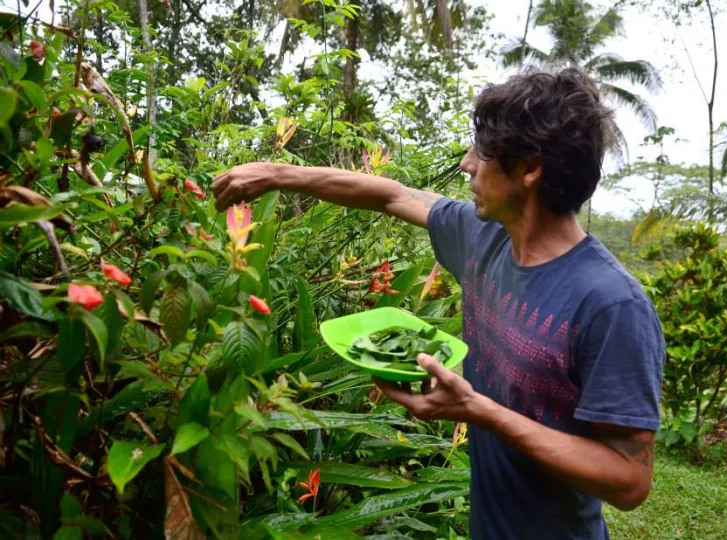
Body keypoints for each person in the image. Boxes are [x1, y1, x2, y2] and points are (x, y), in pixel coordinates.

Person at [212, 66, 665, 540]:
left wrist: (478, 412)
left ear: (530, 169)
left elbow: (630, 481)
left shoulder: (612, 306)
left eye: (483, 152)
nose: (468, 163)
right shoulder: (482, 236)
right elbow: (393, 194)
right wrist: (277, 173)